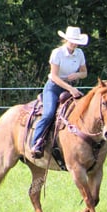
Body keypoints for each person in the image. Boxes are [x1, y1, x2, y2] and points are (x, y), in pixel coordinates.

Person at [31, 26, 89, 158]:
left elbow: (84, 73)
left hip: (70, 87)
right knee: (49, 113)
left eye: (76, 41)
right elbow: (55, 76)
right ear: (66, 40)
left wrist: (77, 75)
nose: (74, 44)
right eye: (71, 41)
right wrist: (71, 89)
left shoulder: (79, 53)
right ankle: (36, 142)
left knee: (83, 111)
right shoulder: (57, 53)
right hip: (53, 87)